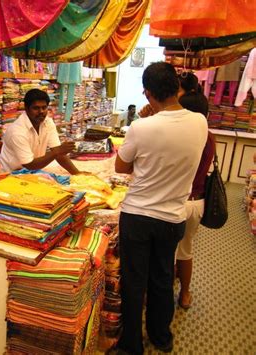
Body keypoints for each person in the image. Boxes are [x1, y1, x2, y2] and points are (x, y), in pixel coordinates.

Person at [114, 62, 208, 354]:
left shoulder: (141, 127)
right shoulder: (200, 122)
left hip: (138, 214)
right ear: (176, 89)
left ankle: (131, 344)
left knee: (134, 281)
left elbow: (121, 166)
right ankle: (161, 336)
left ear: (148, 94)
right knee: (163, 277)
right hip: (172, 216)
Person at [175, 74, 216, 310]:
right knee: (185, 249)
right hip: (196, 201)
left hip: (179, 202)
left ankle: (179, 290)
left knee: (167, 251)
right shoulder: (209, 137)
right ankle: (185, 293)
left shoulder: (184, 137)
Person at [0, 89, 81, 174]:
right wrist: (57, 152)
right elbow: (29, 164)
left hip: (31, 173)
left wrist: (77, 174)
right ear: (26, 108)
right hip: (9, 175)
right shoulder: (17, 131)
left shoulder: (48, 122)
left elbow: (58, 153)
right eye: (36, 108)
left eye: (44, 107)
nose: (41, 111)